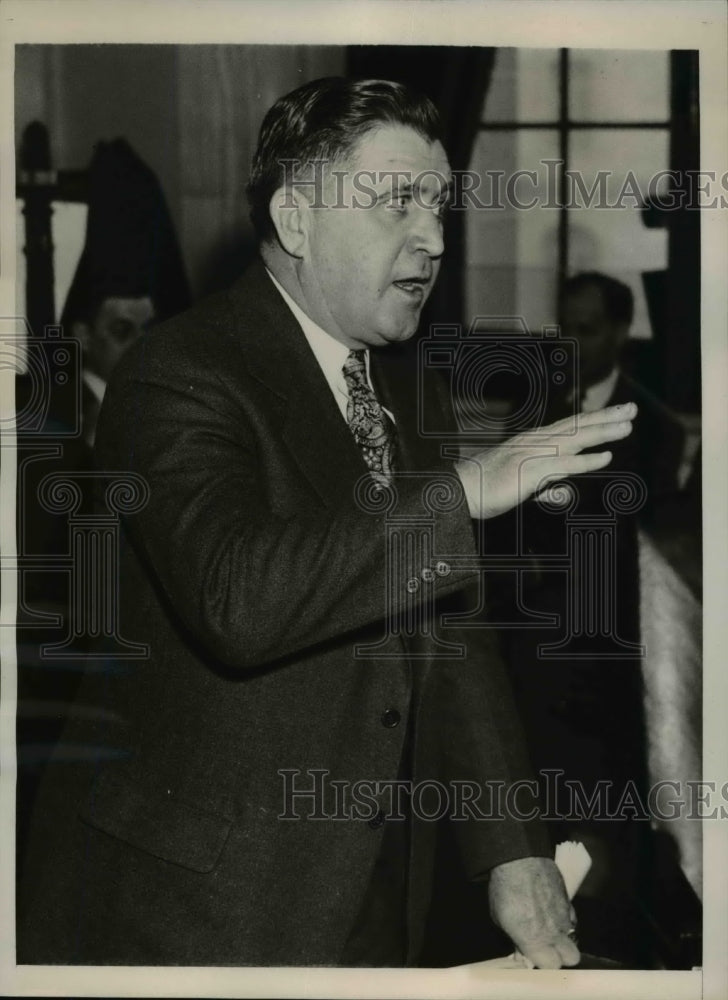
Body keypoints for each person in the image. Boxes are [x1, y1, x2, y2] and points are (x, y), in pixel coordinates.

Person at [17, 77, 636, 969]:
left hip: (375, 897)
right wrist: (461, 491)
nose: (431, 236)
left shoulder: (406, 386)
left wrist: (511, 847)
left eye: (439, 205)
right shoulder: (177, 372)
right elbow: (238, 600)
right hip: (194, 905)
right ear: (296, 222)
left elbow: (453, 639)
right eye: (397, 204)